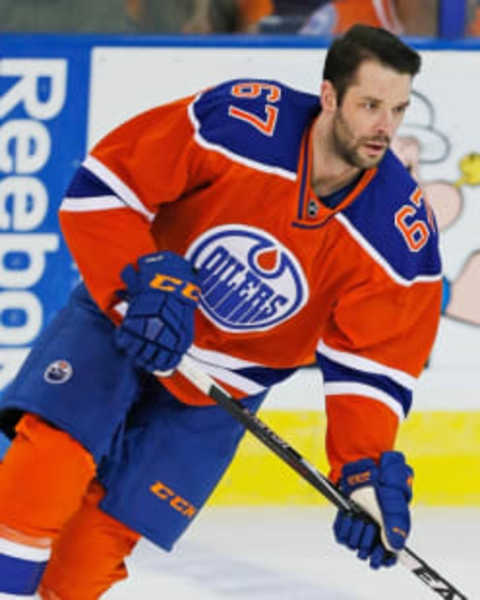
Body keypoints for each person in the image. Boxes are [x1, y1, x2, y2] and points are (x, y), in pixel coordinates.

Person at [0, 24, 442, 598]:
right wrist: (142, 282)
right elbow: (104, 188)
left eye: (399, 110)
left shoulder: (400, 234)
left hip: (221, 390)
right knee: (49, 465)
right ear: (330, 96)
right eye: (371, 105)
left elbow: (373, 366)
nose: (385, 127)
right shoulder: (240, 124)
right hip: (129, 321)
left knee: (91, 554)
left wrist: (360, 468)